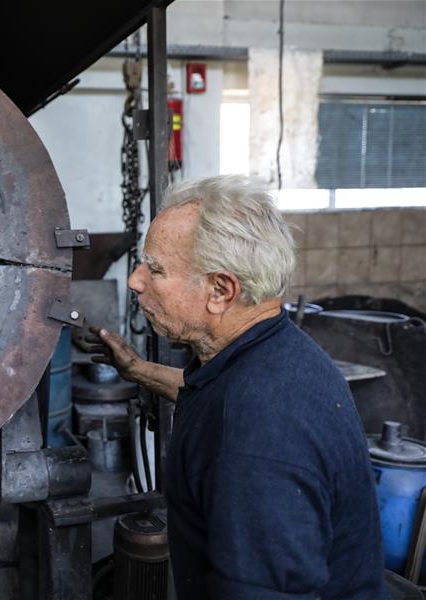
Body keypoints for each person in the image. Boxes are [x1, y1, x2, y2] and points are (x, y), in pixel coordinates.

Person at [88, 175, 388, 599]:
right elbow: (208, 396)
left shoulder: (255, 436)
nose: (136, 280)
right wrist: (137, 368)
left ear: (220, 290)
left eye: (155, 268)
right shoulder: (272, 351)